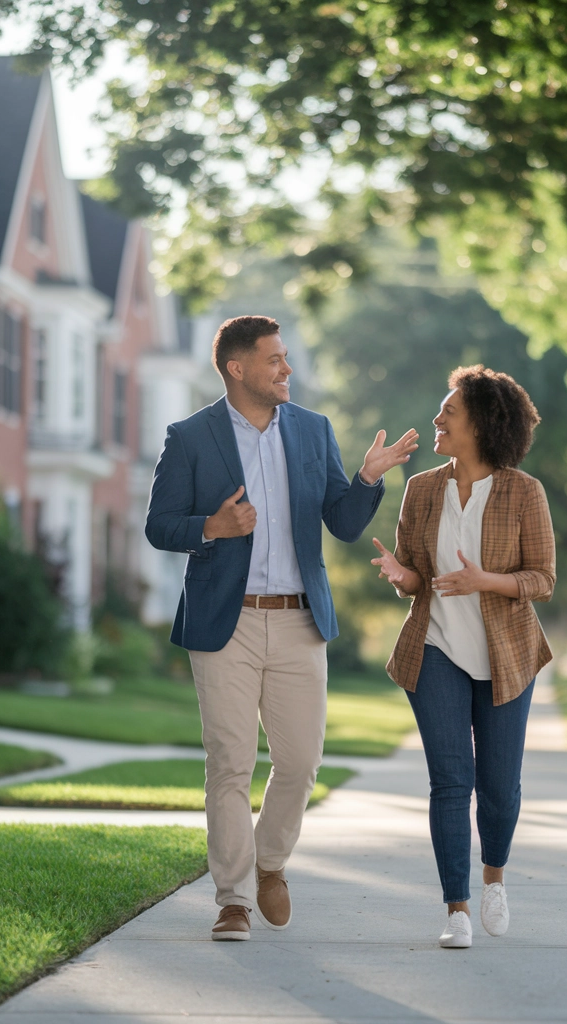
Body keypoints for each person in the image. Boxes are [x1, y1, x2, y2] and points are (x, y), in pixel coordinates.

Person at [145, 315, 418, 941]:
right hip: (226, 623)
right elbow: (160, 526)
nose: (286, 370)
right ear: (238, 368)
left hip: (299, 619)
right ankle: (234, 898)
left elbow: (343, 525)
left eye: (286, 357)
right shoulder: (191, 437)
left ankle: (271, 864)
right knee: (230, 764)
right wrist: (211, 528)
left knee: (300, 762)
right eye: (274, 360)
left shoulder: (314, 431)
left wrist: (369, 479)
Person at [371, 364, 555, 949]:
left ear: (482, 423)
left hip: (507, 654)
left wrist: (486, 581)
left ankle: (494, 876)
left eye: (448, 412)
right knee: (451, 782)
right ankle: (456, 909)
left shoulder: (524, 492)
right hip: (437, 650)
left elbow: (544, 579)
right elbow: (414, 573)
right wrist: (402, 575)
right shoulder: (422, 488)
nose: (436, 421)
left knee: (499, 788)